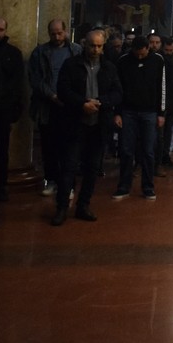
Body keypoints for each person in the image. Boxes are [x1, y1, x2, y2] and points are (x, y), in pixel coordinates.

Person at [54, 28, 121, 225]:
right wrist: (82, 103)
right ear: (85, 44)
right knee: (69, 167)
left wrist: (101, 102)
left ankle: (83, 205)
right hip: (76, 123)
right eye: (92, 46)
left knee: (92, 169)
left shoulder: (109, 67)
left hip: (99, 125)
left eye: (99, 46)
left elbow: (117, 93)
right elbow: (63, 90)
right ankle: (62, 207)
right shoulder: (71, 65)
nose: (96, 50)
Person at [28, 18, 82, 197]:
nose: (57, 37)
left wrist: (71, 97)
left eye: (59, 33)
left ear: (65, 31)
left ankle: (68, 184)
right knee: (49, 145)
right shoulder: (40, 52)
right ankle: (51, 179)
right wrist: (52, 95)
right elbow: (35, 78)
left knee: (69, 147)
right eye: (53, 34)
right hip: (48, 105)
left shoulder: (76, 51)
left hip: (69, 105)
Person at [113, 35, 165, 200]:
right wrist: (117, 112)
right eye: (137, 54)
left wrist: (161, 113)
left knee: (148, 151)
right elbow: (118, 88)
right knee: (126, 150)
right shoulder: (123, 61)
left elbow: (162, 87)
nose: (140, 57)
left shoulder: (157, 60)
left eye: (143, 54)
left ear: (148, 48)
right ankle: (124, 186)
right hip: (128, 111)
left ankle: (148, 186)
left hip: (150, 112)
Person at [0, 17, 24, 202]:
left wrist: (15, 108)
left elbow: (17, 83)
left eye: (1, 29)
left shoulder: (13, 54)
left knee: (2, 149)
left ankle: (1, 184)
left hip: (3, 108)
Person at [149, 33, 173, 172]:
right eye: (166, 50)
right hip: (160, 100)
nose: (168, 53)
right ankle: (157, 157)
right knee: (159, 132)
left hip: (172, 100)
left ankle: (164, 154)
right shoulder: (158, 60)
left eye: (171, 50)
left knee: (168, 130)